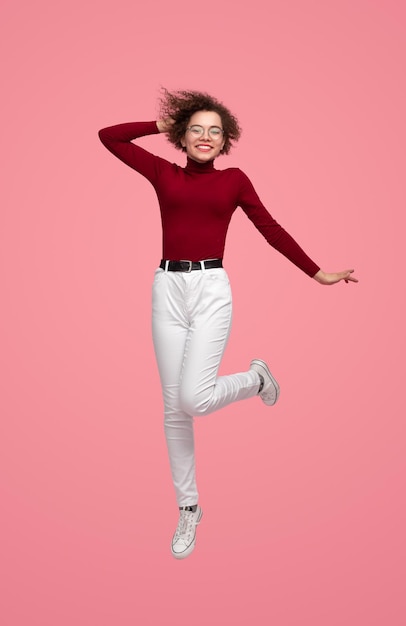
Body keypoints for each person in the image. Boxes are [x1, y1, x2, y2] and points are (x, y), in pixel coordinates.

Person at [98, 89, 358, 559]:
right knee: (173, 407)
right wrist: (165, 125)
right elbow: (109, 137)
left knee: (193, 398)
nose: (204, 136)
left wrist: (316, 271)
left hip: (211, 289)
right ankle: (189, 509)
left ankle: (255, 379)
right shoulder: (164, 172)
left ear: (226, 141)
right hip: (167, 289)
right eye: (196, 128)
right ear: (183, 135)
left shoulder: (234, 180)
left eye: (214, 131)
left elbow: (270, 228)